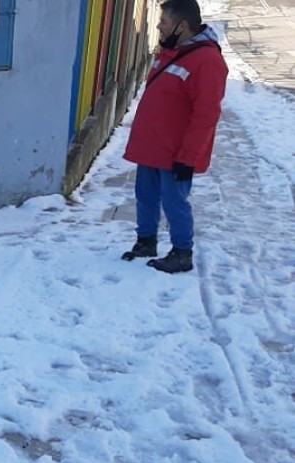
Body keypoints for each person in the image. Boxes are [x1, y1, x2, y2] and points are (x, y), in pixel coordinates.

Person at [121, 0, 227, 273]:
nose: (159, 27)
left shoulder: (207, 61)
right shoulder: (171, 52)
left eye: (164, 22)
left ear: (182, 26)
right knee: (145, 195)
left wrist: (189, 157)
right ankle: (146, 241)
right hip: (153, 146)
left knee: (174, 202)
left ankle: (182, 253)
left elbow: (206, 115)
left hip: (176, 151)